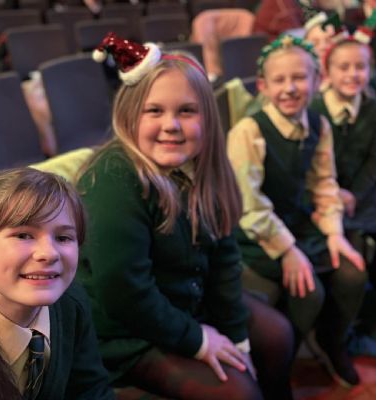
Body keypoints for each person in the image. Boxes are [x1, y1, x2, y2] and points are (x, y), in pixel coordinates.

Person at [76, 32, 295, 400]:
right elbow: (125, 294)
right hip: (127, 332)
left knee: (277, 337)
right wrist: (198, 340)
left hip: (186, 303)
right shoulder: (114, 178)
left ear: (206, 118)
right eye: (154, 111)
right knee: (238, 393)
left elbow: (224, 261)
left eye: (186, 111)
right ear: (129, 114)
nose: (171, 125)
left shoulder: (204, 168)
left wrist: (237, 338)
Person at [227, 34, 367, 387]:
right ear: (263, 86)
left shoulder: (319, 125)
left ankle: (332, 342)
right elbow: (248, 204)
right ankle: (277, 363)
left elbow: (324, 183)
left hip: (298, 222)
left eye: (300, 78)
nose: (290, 88)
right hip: (258, 230)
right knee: (308, 290)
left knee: (352, 272)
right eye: (279, 80)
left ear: (317, 81)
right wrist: (288, 250)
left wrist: (334, 233)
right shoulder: (249, 131)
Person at [0, 167, 114, 400]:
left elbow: (91, 390)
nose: (49, 253)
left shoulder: (72, 303)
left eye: (63, 238)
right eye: (23, 235)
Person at [310, 28, 376, 353]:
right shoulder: (315, 110)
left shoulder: (374, 109)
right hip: (326, 198)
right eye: (344, 67)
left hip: (363, 196)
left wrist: (355, 194)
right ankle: (338, 331)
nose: (353, 74)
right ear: (328, 72)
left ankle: (371, 319)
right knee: (349, 261)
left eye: (360, 67)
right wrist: (336, 194)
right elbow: (312, 167)